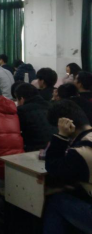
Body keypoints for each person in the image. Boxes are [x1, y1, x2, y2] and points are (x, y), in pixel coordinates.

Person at [42, 100, 92, 234]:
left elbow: (53, 168)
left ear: (65, 124)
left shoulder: (80, 152)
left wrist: (61, 136)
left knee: (55, 200)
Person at [14, 83, 56, 152]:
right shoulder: (50, 106)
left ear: (21, 99)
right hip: (55, 146)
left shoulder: (22, 110)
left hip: (35, 150)